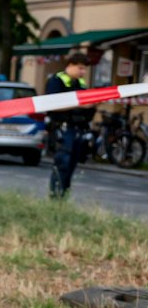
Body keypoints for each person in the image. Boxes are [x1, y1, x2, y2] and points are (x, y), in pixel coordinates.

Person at [47, 49, 95, 198]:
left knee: (72, 164)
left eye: (85, 68)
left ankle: (63, 197)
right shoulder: (57, 80)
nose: (83, 72)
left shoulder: (80, 83)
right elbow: (51, 104)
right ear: (70, 65)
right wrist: (80, 105)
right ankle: (55, 196)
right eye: (80, 68)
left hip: (78, 128)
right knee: (63, 163)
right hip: (63, 126)